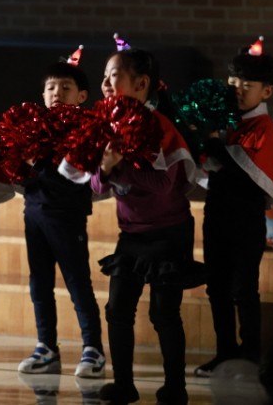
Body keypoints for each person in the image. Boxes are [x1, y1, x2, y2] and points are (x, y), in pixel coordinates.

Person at [61, 44, 198, 405]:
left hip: (170, 232)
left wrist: (120, 166)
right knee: (118, 310)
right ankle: (124, 385)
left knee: (164, 313)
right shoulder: (106, 126)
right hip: (132, 234)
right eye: (104, 77)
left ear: (141, 84)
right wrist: (106, 168)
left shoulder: (159, 126)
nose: (106, 83)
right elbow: (96, 186)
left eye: (114, 76)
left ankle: (175, 387)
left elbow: (163, 184)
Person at [16, 50, 106, 379]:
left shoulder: (86, 130)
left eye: (65, 87)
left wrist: (36, 164)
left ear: (82, 96)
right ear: (42, 94)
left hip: (67, 216)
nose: (56, 93)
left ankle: (93, 348)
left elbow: (72, 181)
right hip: (34, 213)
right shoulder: (32, 127)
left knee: (77, 282)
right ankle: (46, 347)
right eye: (51, 87)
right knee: (39, 284)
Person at [194, 36, 273, 377]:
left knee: (244, 289)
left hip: (245, 218)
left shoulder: (262, 125)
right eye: (233, 83)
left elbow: (244, 170)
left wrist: (214, 145)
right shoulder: (223, 119)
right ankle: (225, 352)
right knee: (216, 286)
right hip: (216, 212)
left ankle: (251, 354)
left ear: (266, 91)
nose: (238, 90)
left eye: (247, 85)